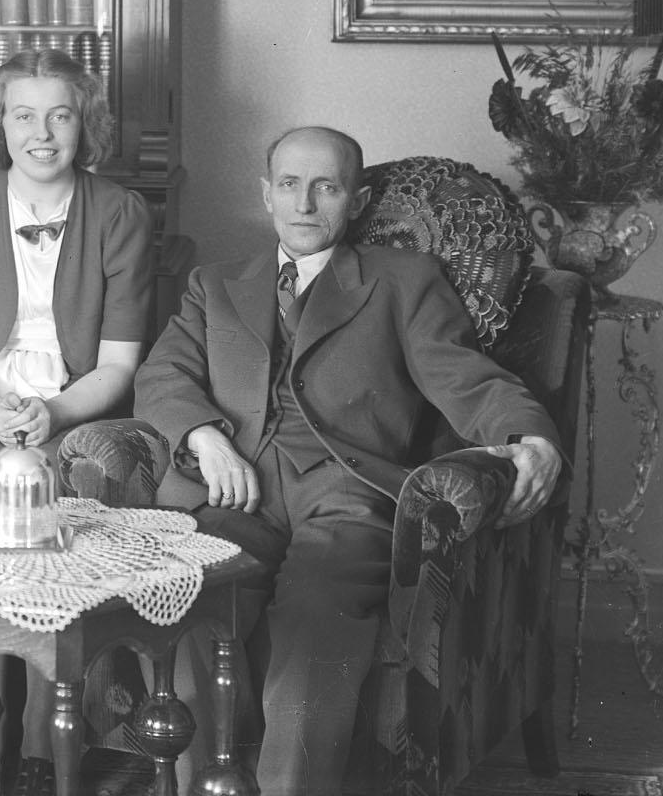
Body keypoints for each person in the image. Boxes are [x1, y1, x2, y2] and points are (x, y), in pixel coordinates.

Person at [136, 126, 563, 796]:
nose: (304, 203)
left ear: (357, 200)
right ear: (266, 194)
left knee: (315, 621)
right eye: (289, 185)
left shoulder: (403, 281)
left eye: (326, 187)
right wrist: (205, 438)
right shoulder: (213, 284)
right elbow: (163, 375)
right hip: (231, 495)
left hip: (345, 496)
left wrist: (531, 437)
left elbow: (463, 376)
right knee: (182, 598)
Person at [0, 48, 156, 791]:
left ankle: (42, 739)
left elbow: (117, 366)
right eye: (23, 116)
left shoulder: (120, 213)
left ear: (83, 124)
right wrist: (2, 413)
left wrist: (51, 412)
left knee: (57, 507)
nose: (42, 133)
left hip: (77, 406)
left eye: (60, 115)